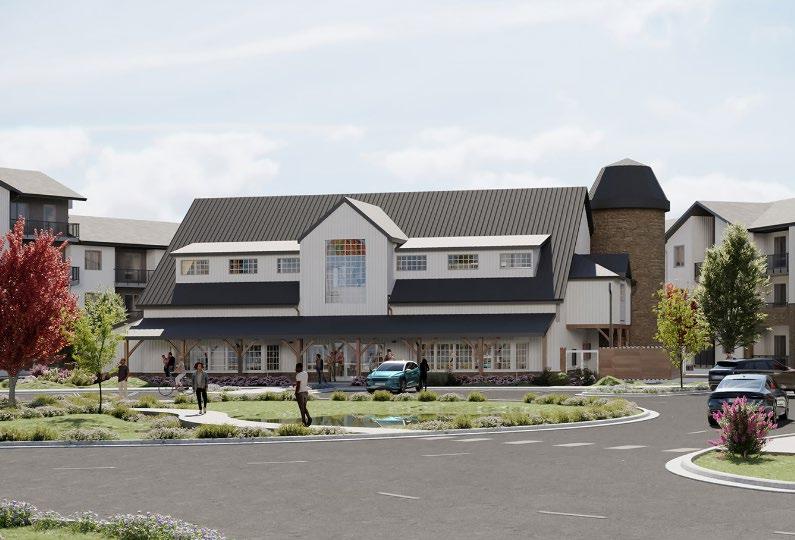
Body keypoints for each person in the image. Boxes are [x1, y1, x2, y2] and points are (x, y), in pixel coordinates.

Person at [294, 362, 312, 427]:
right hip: (305, 392)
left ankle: (304, 422)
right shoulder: (305, 373)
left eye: (296, 368)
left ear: (299, 368)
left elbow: (298, 385)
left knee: (301, 408)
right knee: (304, 407)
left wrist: (296, 393)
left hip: (300, 393)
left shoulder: (298, 375)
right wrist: (295, 384)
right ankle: (308, 419)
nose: (295, 369)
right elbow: (302, 382)